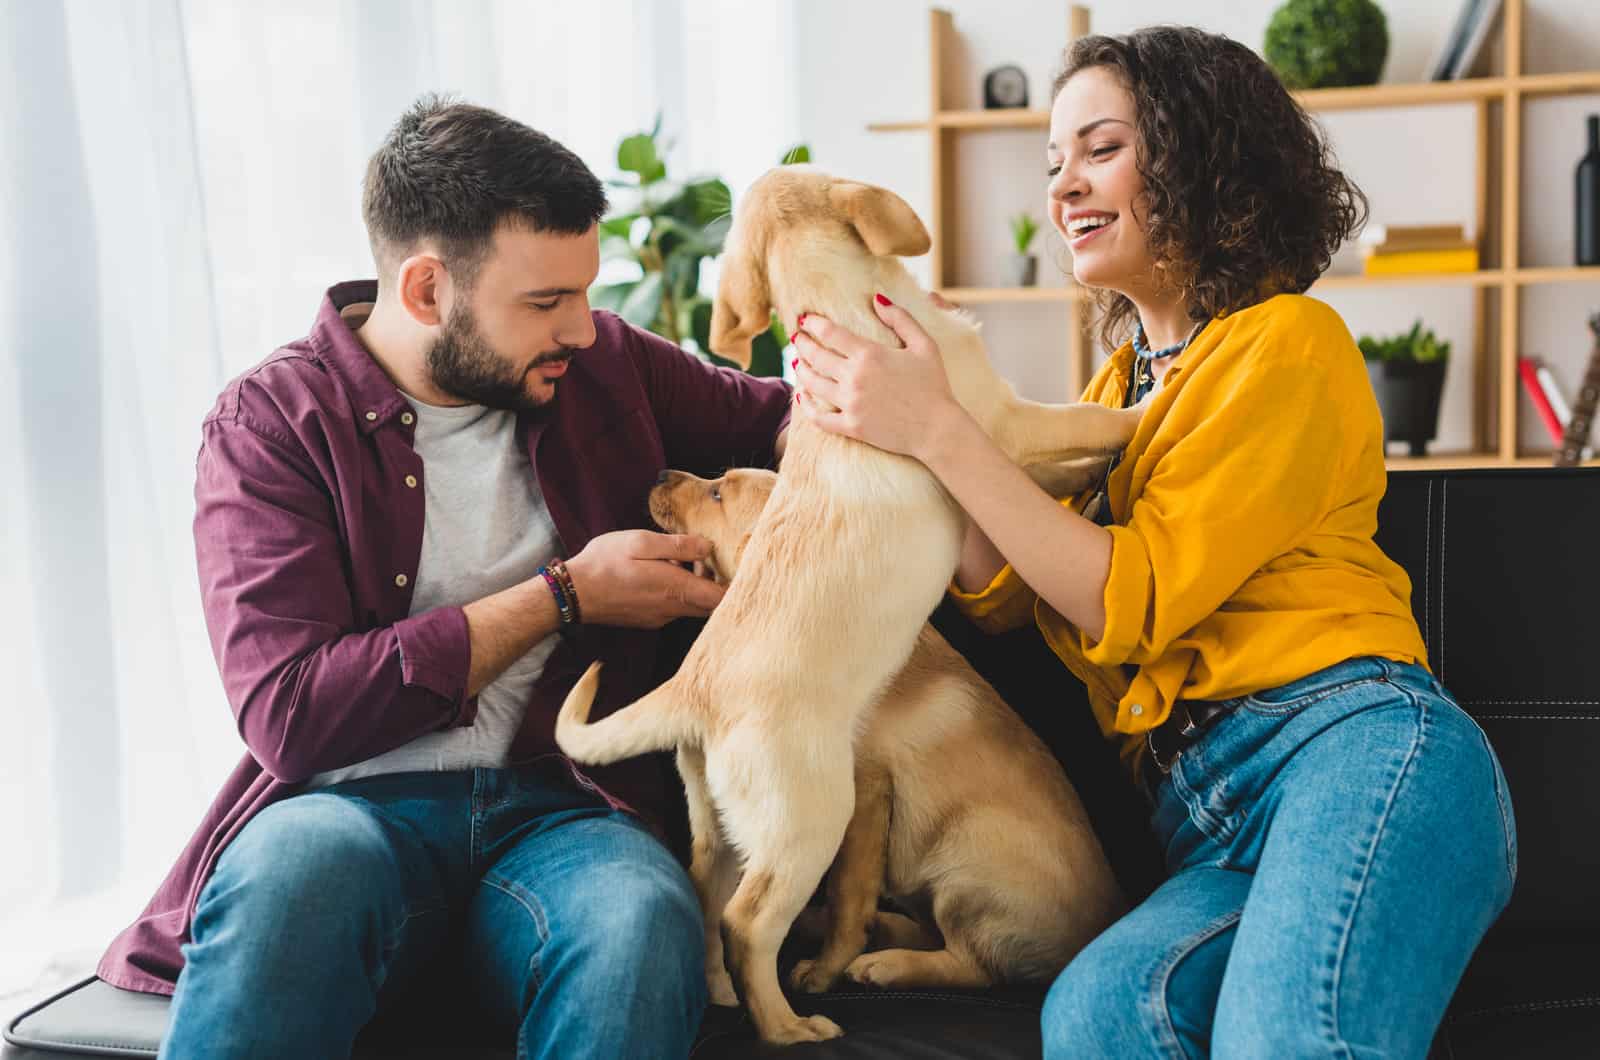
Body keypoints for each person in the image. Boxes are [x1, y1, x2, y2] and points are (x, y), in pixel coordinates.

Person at [791, 26, 1515, 1059]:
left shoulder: (1286, 345)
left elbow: (1128, 596)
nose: (1064, 187)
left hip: (1349, 752)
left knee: (1287, 1040)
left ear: (1197, 157)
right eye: (1053, 164)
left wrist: (940, 428)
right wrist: (906, 410)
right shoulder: (1110, 394)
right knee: (1097, 1017)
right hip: (1204, 817)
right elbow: (1001, 592)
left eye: (1100, 149)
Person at [98, 96, 791, 1060]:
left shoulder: (607, 365)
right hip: (344, 811)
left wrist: (859, 425)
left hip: (569, 807)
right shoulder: (273, 426)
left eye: (585, 293)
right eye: (546, 303)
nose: (585, 330)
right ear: (427, 290)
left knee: (638, 921)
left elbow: (784, 424)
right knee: (290, 879)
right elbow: (291, 716)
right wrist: (565, 597)